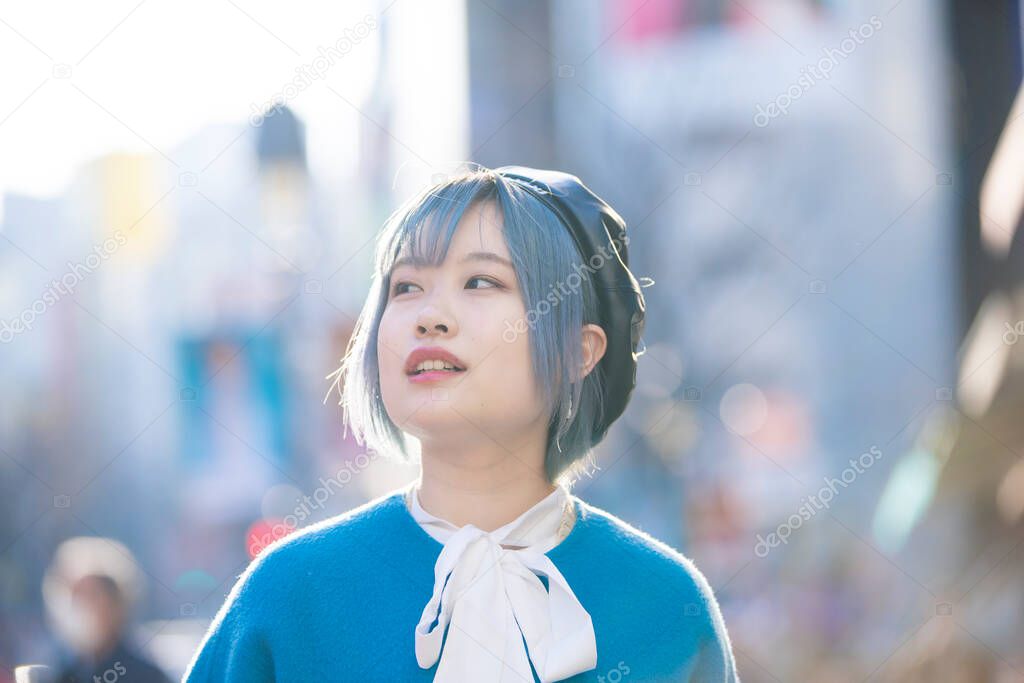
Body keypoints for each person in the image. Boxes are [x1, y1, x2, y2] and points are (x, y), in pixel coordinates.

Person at [183, 165, 739, 681]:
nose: (429, 315)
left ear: (578, 349)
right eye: (405, 287)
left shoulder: (665, 601)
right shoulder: (290, 595)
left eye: (480, 282)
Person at [43, 537, 171, 683]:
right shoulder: (65, 674)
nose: (81, 607)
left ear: (116, 605)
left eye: (91, 596)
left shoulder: (146, 676)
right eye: (75, 596)